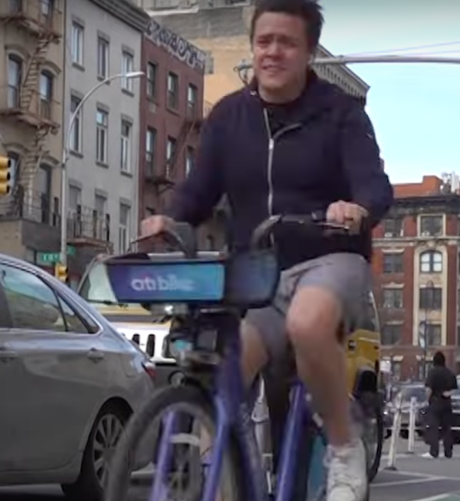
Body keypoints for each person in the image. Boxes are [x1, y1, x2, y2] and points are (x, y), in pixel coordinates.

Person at [139, 0, 393, 499]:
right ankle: (230, 470)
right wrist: (169, 217)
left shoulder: (339, 114)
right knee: (229, 367)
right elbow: (200, 188)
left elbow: (375, 186)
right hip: (258, 271)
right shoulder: (230, 116)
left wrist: (356, 208)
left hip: (330, 255)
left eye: (286, 42)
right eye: (264, 41)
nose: (272, 52)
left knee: (307, 323)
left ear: (308, 51)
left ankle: (344, 447)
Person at [423, 352, 457, 459]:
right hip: (447, 403)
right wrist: (447, 394)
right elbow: (454, 389)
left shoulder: (432, 372)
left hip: (435, 402)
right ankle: (448, 452)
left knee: (433, 427)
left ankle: (434, 451)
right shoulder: (450, 373)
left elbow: (429, 389)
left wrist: (427, 400)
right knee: (447, 428)